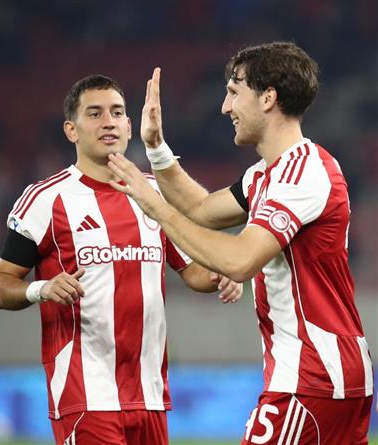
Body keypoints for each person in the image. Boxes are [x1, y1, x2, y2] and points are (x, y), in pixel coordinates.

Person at [107, 42, 373, 444]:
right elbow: (200, 208)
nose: (225, 107)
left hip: (312, 376)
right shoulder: (267, 174)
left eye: (234, 92)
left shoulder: (302, 174)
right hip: (327, 374)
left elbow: (240, 260)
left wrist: (154, 207)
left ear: (268, 98)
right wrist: (156, 147)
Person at [0, 74, 242, 445]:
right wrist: (41, 289)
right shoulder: (45, 199)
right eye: (95, 114)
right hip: (85, 395)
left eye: (117, 112)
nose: (108, 122)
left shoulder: (154, 193)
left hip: (150, 394)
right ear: (71, 130)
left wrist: (224, 272)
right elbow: (1, 287)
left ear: (128, 126)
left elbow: (194, 273)